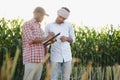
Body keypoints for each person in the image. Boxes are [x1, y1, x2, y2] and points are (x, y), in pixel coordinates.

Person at [22, 6, 54, 80]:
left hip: (40, 60)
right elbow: (31, 40)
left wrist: (50, 40)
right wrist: (47, 38)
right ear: (36, 13)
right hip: (31, 59)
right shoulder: (27, 24)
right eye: (42, 15)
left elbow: (43, 43)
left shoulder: (40, 28)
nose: (43, 18)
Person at [45, 7, 75, 80]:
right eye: (60, 17)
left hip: (67, 57)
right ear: (57, 14)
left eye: (64, 18)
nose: (61, 19)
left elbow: (73, 39)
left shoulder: (69, 25)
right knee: (53, 78)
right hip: (55, 57)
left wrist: (66, 38)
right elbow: (45, 43)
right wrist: (46, 59)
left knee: (66, 78)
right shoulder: (49, 26)